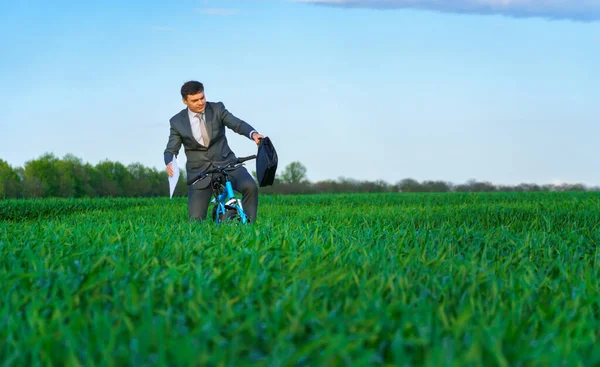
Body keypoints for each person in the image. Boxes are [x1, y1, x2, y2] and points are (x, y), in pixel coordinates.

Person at [164, 81, 263, 222]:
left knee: (250, 187)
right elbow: (170, 150)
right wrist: (169, 162)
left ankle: (250, 228)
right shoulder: (177, 122)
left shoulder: (217, 109)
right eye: (195, 100)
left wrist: (253, 134)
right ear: (185, 101)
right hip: (200, 173)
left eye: (202, 97)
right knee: (195, 221)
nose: (200, 102)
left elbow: (237, 124)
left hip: (227, 163)